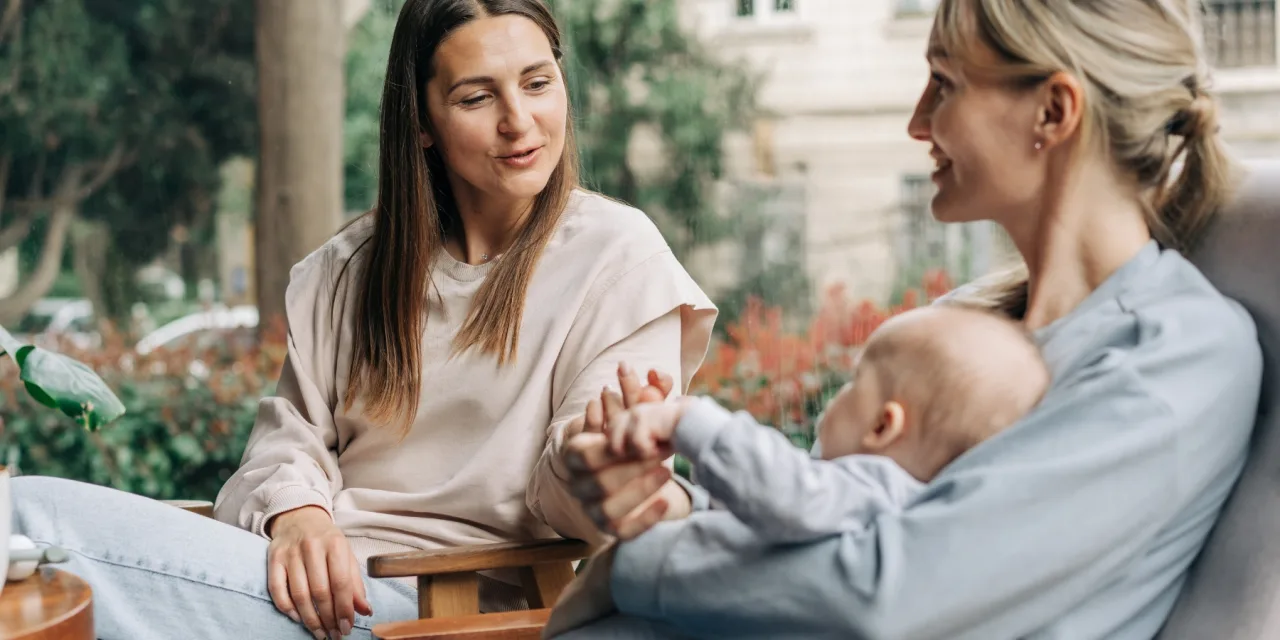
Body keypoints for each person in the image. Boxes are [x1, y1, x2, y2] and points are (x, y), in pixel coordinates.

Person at [550, 0, 1265, 638]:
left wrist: (639, 567)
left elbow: (883, 598)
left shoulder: (1178, 355)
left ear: (1053, 111)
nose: (917, 121)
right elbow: (827, 507)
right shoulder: (966, 324)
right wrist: (663, 501)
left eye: (945, 84)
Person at [8, 1, 715, 639]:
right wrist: (298, 515)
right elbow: (286, 446)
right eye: (477, 96)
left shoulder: (619, 259)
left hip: (441, 615)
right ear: (424, 123)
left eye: (537, 83)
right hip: (309, 588)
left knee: (23, 519)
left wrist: (601, 465)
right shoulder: (346, 269)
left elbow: (579, 482)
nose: (519, 121)